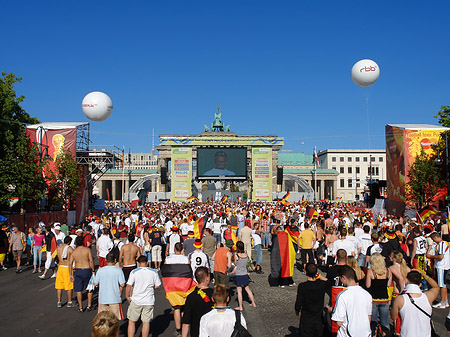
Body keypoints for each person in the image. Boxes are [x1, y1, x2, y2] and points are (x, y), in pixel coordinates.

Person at [390, 269, 440, 337]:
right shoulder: (428, 297)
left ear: (406, 280)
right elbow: (436, 286)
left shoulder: (400, 299)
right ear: (420, 284)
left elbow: (393, 317)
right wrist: (423, 274)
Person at [331, 265, 372, 337]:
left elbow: (339, 322)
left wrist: (331, 311)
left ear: (343, 277)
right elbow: (368, 317)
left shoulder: (342, 295)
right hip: (365, 334)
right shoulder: (367, 294)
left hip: (348, 334)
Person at [126, 255, 161, 337]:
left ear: (138, 263)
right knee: (146, 322)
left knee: (132, 321)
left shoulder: (134, 272)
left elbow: (128, 285)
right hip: (148, 300)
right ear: (147, 262)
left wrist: (127, 296)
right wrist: (152, 287)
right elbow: (158, 285)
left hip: (136, 299)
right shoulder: (153, 272)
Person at [163, 242, 193, 337]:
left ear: (174, 250)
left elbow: (164, 272)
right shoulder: (186, 259)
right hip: (183, 286)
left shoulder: (168, 259)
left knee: (176, 308)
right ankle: (185, 326)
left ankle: (178, 329)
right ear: (182, 250)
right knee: (183, 308)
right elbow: (189, 272)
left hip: (172, 287)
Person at [295, 263, 328, 337]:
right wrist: (319, 276)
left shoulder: (302, 286)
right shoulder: (322, 284)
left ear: (305, 272)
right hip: (318, 318)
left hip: (306, 318)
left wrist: (297, 310)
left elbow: (299, 301)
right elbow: (328, 282)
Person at [181, 267, 214, 337]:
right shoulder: (215, 294)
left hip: (196, 332)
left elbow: (186, 322)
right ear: (207, 278)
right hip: (212, 332)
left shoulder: (190, 297)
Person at [366, 253, 392, 336]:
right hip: (384, 298)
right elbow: (388, 285)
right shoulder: (387, 271)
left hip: (373, 299)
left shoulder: (371, 272)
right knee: (385, 321)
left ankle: (374, 334)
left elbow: (368, 285)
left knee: (373, 322)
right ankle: (385, 334)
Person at [94, 252, 126, 320]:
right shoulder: (118, 270)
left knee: (102, 319)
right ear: (115, 260)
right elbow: (122, 284)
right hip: (114, 298)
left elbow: (95, 283)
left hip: (103, 298)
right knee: (115, 320)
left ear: (106, 260)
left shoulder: (100, 270)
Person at [70, 236, 95, 312]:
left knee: (78, 289)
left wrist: (70, 274)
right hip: (87, 269)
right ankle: (89, 305)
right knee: (89, 288)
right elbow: (91, 261)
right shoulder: (87, 250)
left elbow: (70, 263)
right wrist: (93, 270)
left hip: (78, 270)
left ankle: (80, 307)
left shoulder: (74, 252)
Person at [427, 232, 450, 308]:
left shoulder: (442, 244)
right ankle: (445, 301)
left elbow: (441, 256)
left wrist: (431, 256)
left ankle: (443, 301)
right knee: (443, 284)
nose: (433, 241)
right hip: (443, 266)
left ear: (436, 237)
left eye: (433, 239)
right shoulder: (444, 243)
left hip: (442, 266)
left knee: (441, 285)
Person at [233, 241, 256, 310]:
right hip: (245, 273)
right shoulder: (246, 255)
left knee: (239, 291)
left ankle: (240, 306)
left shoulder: (236, 255)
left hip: (239, 274)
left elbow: (235, 263)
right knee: (248, 289)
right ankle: (253, 303)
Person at [55, 236, 74, 308]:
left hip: (60, 267)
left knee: (59, 286)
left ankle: (59, 301)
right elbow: (73, 258)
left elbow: (55, 257)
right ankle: (69, 302)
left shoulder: (58, 248)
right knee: (69, 286)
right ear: (69, 242)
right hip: (67, 268)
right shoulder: (69, 248)